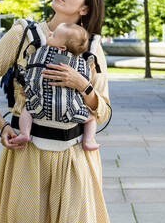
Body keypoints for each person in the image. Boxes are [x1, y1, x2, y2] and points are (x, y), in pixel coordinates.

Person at [0, 0, 111, 222]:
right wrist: (2, 125)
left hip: (75, 157)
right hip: (27, 154)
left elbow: (104, 111)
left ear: (85, 8)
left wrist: (82, 85)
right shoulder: (23, 34)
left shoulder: (91, 47)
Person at [11, 22, 100, 151]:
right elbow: (86, 81)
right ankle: (89, 141)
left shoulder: (39, 53)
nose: (49, 34)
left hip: (39, 107)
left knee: (26, 109)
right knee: (91, 119)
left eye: (53, 36)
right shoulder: (82, 63)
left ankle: (24, 133)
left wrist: (29, 89)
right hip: (71, 110)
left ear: (62, 47)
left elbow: (30, 76)